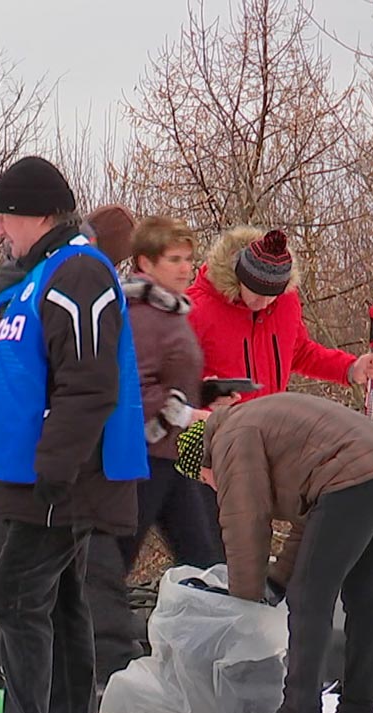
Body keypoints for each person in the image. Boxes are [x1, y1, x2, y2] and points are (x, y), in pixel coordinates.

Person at [0, 157, 146, 713]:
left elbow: (89, 382)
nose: (0, 230)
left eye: (4, 217)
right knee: (55, 602)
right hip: (28, 477)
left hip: (60, 479)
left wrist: (57, 466)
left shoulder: (79, 271)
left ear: (37, 214)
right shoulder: (39, 277)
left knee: (15, 592)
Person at [175, 393, 373, 713]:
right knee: (365, 601)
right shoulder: (259, 422)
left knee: (310, 599)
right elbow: (312, 520)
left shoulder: (229, 438)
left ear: (204, 462)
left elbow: (246, 522)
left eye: (204, 480)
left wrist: (243, 602)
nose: (210, 486)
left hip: (355, 479)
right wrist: (276, 583)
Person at [118, 216, 224, 572]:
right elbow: (133, 387)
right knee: (113, 560)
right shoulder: (143, 316)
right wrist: (187, 414)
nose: (185, 268)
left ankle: (213, 623)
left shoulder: (168, 311)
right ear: (146, 262)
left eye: (188, 259)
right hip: (144, 458)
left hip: (170, 455)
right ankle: (91, 624)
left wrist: (206, 395)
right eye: (174, 260)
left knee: (203, 558)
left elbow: (169, 379)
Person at [187, 227, 373, 398]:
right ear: (240, 278)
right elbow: (169, 381)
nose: (264, 303)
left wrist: (350, 369)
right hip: (217, 432)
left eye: (272, 295)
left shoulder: (286, 302)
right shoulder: (196, 309)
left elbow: (300, 353)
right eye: (257, 293)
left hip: (271, 429)